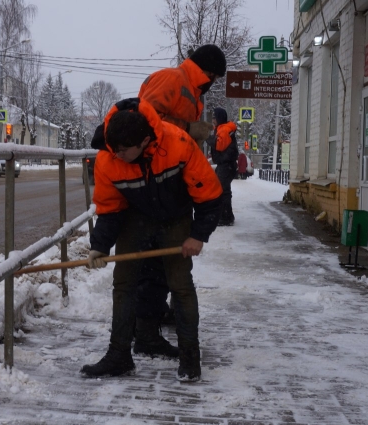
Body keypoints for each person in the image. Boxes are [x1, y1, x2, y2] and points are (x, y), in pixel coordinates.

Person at [81, 98, 222, 381]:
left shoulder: (178, 144)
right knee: (123, 284)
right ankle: (119, 355)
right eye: (113, 149)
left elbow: (209, 194)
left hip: (176, 217)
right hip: (134, 217)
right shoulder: (109, 158)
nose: (116, 154)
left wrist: (198, 235)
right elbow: (109, 209)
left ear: (145, 141)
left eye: (123, 150)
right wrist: (99, 246)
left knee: (180, 284)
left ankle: (189, 359)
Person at [127, 44, 227, 358]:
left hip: (170, 180)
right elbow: (143, 122)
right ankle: (144, 334)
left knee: (163, 260)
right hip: (153, 179)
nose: (212, 81)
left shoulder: (193, 92)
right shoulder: (172, 80)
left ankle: (152, 318)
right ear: (206, 71)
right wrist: (188, 129)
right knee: (153, 262)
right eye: (212, 75)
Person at [207, 108, 238, 225]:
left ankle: (226, 217)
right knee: (224, 191)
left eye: (214, 118)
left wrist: (208, 138)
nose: (213, 120)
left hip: (226, 165)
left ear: (219, 118)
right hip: (225, 164)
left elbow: (219, 146)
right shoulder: (221, 128)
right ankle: (227, 216)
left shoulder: (224, 129)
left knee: (222, 191)